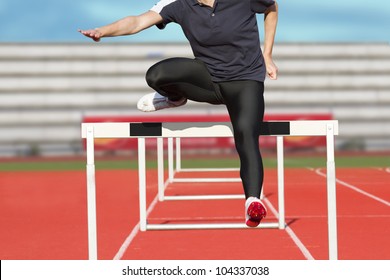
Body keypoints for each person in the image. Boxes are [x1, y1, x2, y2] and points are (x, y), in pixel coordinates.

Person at [79, 0, 278, 227]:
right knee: (156, 75)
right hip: (208, 79)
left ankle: (252, 201)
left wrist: (267, 54)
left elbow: (271, 8)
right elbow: (136, 22)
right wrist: (102, 32)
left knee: (246, 136)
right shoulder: (178, 4)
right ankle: (175, 98)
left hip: (246, 82)